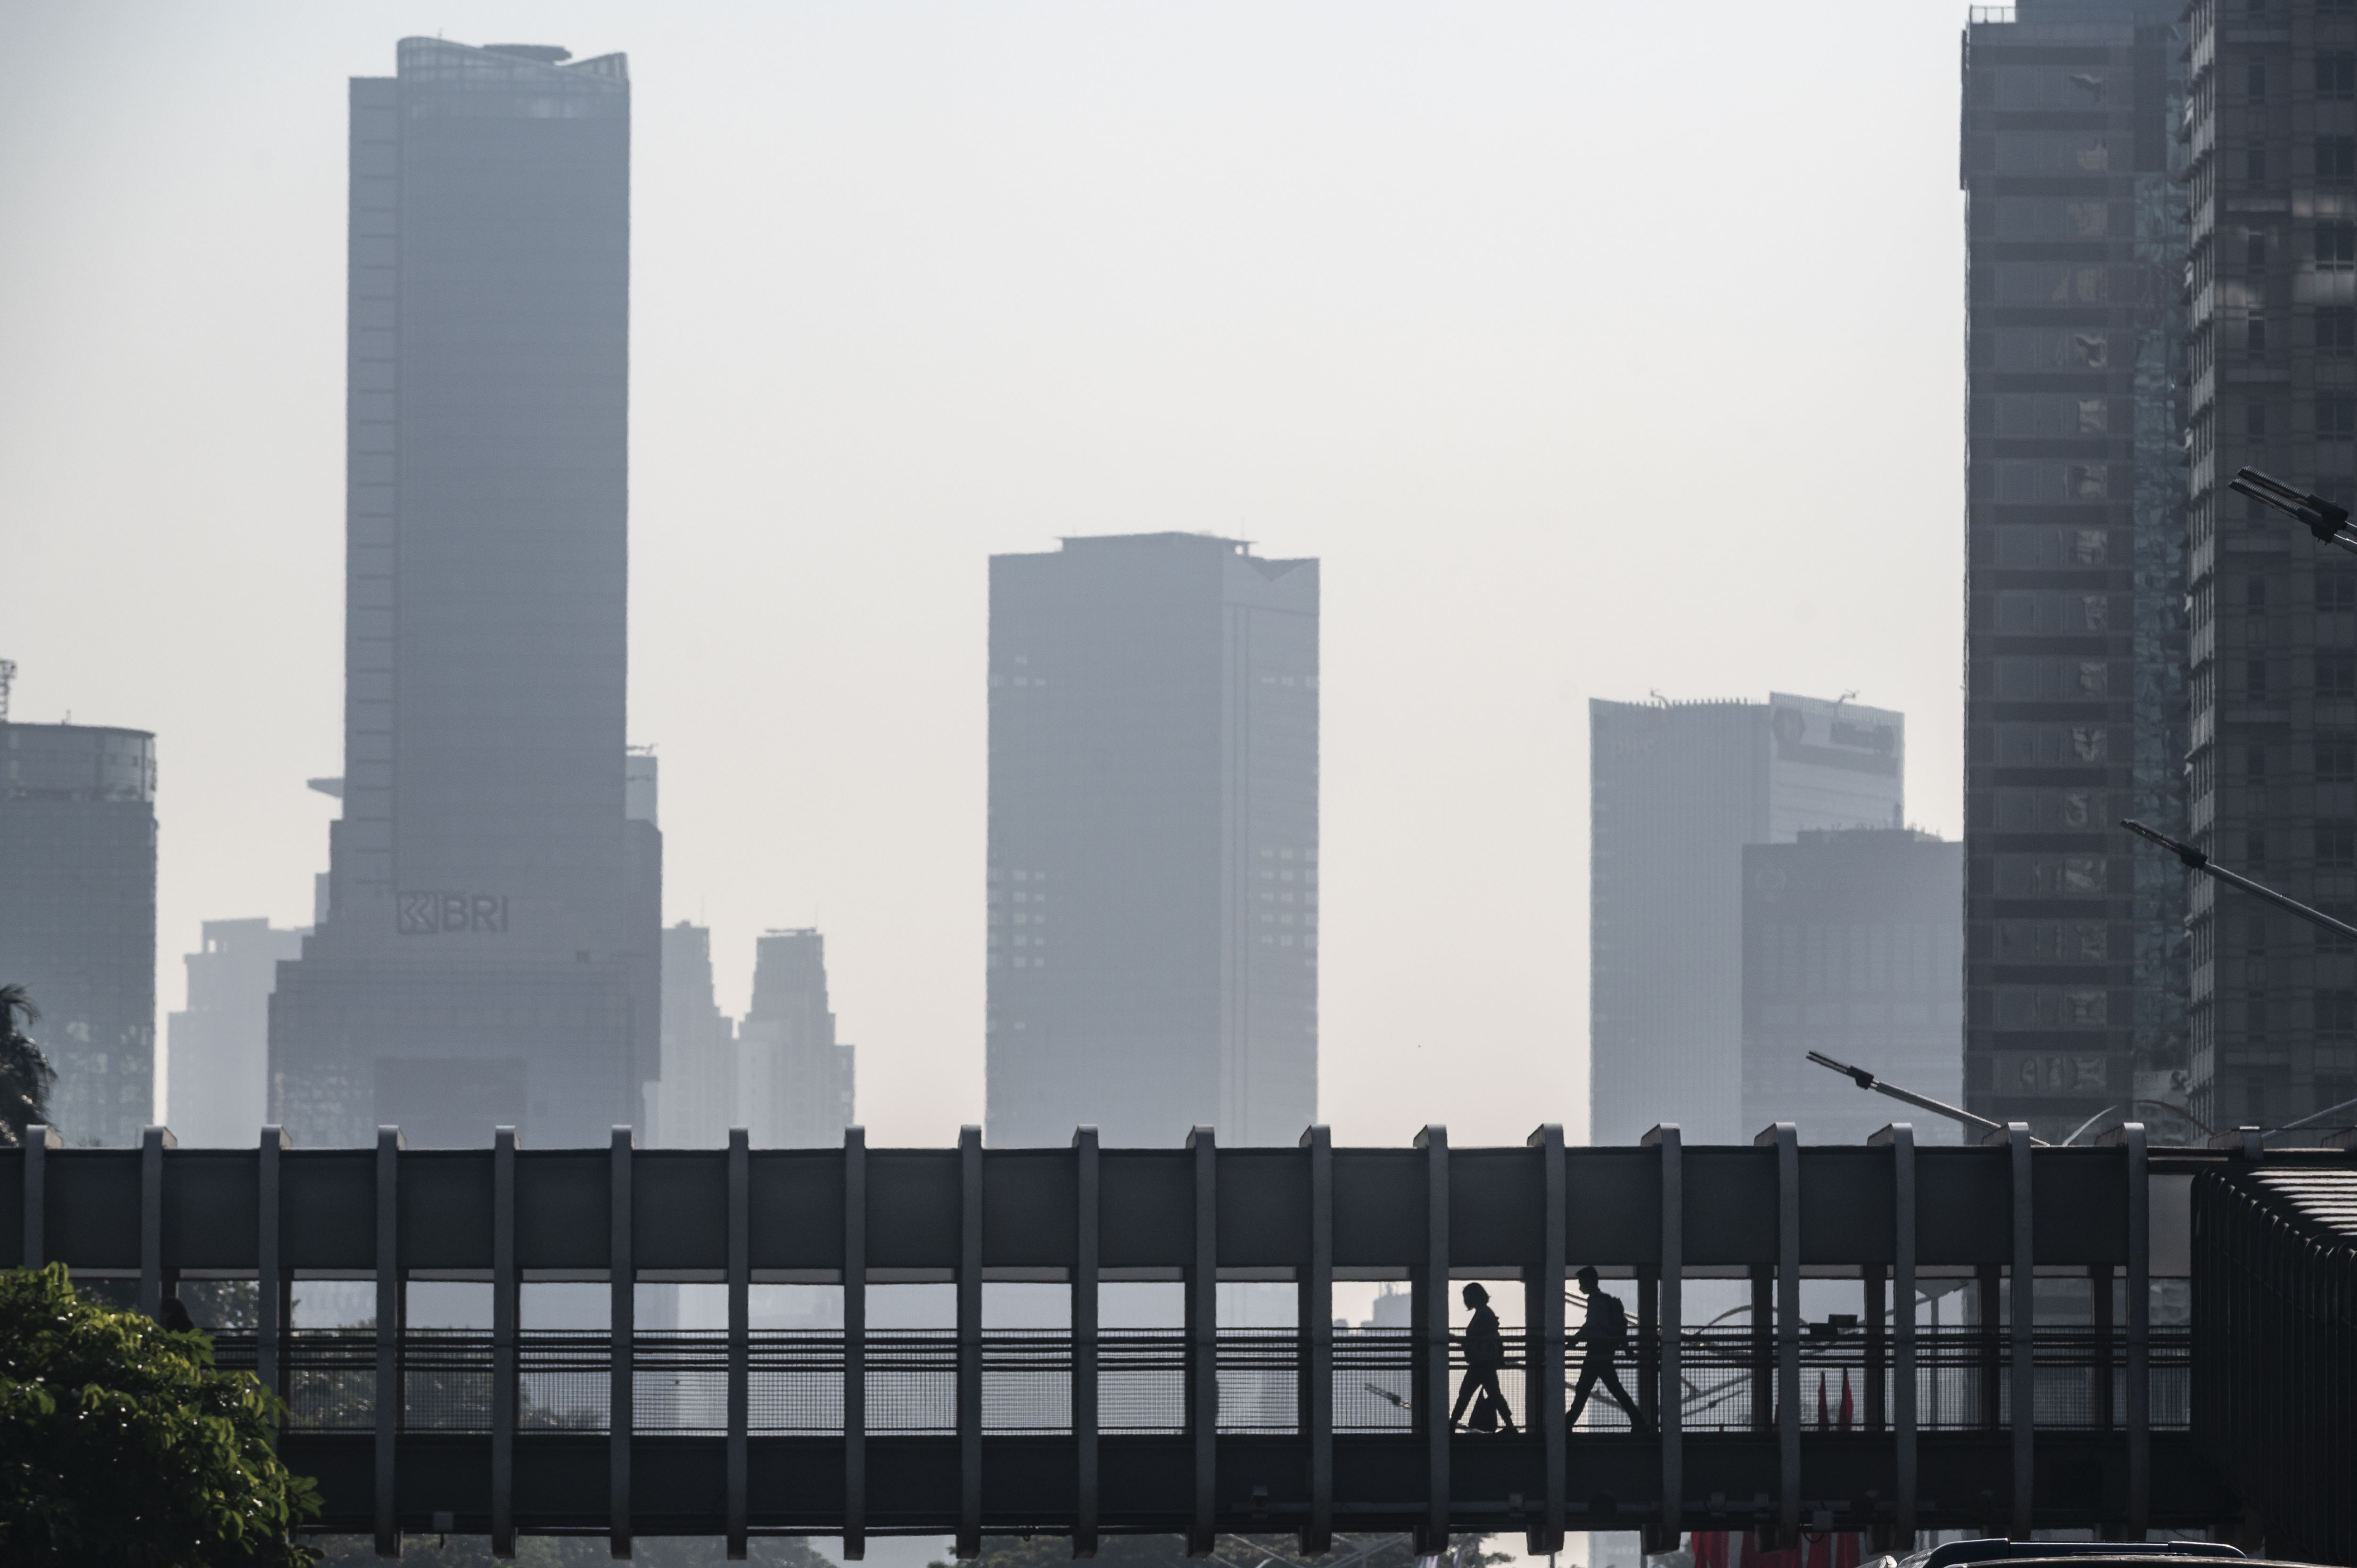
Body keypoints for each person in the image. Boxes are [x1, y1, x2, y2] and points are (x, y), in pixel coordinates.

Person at [1565, 1264, 1648, 1432]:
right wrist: (1626, 1347)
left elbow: (1592, 1326)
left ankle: (1567, 1424)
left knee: (1584, 1388)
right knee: (1613, 1388)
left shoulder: (1596, 1302)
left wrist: (1573, 1341)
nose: (1580, 1286)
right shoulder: (1606, 1301)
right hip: (1606, 1351)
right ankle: (1638, 1420)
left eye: (1581, 1282)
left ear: (1588, 1282)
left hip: (1597, 1351)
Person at [1448, 1282, 1518, 1433]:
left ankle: (1452, 1425)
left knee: (1466, 1394)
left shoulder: (1483, 1314)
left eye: (1466, 1296)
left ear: (1473, 1297)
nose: (1465, 1300)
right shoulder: (1484, 1313)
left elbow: (1477, 1340)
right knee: (1492, 1394)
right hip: (1485, 1362)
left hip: (1481, 1363)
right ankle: (1510, 1426)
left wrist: (1456, 1339)